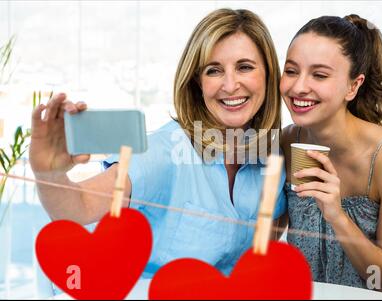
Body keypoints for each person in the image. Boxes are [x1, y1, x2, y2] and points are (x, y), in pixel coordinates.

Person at [29, 8, 286, 278]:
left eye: (245, 67)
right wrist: (49, 173)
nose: (230, 84)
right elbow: (80, 206)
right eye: (214, 70)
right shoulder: (166, 152)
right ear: (197, 82)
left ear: (269, 75)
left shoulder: (270, 157)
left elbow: (265, 245)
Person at [280, 14, 382, 299]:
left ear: (353, 86)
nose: (298, 87)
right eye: (291, 71)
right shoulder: (289, 140)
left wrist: (336, 214)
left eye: (319, 75)